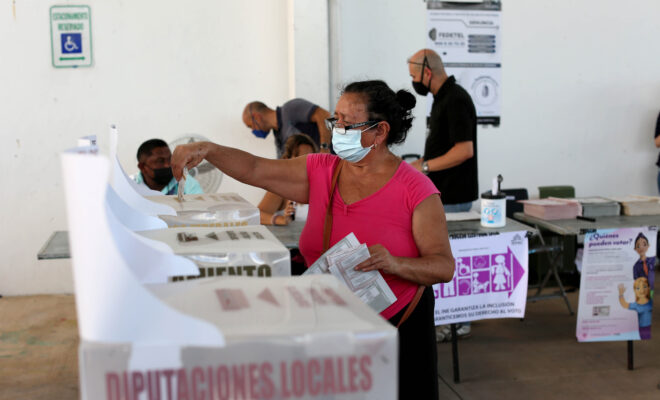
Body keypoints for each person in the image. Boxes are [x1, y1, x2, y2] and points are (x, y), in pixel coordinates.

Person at [173, 80, 455, 399]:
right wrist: (208, 149)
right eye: (336, 119)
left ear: (380, 132)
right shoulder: (321, 171)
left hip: (397, 328)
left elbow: (443, 266)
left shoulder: (415, 190)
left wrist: (395, 263)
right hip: (332, 327)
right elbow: (254, 168)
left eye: (349, 123)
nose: (338, 129)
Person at [408, 48, 478, 341]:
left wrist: (423, 166)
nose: (412, 82)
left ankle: (457, 321)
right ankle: (449, 319)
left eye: (413, 76)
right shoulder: (441, 100)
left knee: (450, 262)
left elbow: (465, 150)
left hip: (455, 196)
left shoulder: (456, 99)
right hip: (442, 193)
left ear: (427, 72)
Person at [258, 134, 318, 226]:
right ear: (287, 160)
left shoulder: (320, 186)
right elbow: (257, 216)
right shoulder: (280, 187)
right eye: (300, 159)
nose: (306, 164)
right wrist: (280, 220)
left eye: (310, 159)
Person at [242, 99, 332, 158]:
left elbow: (324, 116)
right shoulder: (278, 138)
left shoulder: (289, 109)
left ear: (257, 117)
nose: (253, 131)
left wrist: (324, 148)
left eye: (251, 126)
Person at [134, 139, 204, 195]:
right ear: (142, 167)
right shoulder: (130, 186)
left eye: (170, 159)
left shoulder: (186, 183)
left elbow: (202, 210)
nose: (167, 165)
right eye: (160, 161)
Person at [632, 232, 655, 298]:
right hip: (645, 293)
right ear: (635, 249)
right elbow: (637, 282)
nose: (641, 247)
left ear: (648, 246)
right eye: (638, 246)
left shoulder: (653, 259)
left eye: (644, 244)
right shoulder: (636, 266)